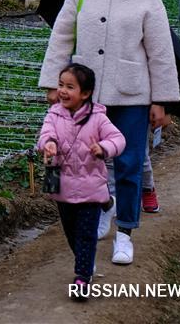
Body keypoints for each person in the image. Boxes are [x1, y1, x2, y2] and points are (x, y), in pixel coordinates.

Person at [39, 0, 180, 266]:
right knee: (88, 161)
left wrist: (161, 100)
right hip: (88, 99)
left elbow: (161, 53)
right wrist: (52, 85)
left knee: (130, 163)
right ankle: (103, 209)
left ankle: (125, 233)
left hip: (131, 96)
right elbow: (60, 38)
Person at [37, 63, 125, 297]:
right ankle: (84, 262)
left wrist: (104, 148)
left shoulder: (98, 118)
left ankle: (82, 278)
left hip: (90, 187)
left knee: (86, 233)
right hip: (62, 185)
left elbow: (118, 139)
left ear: (85, 94)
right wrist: (48, 144)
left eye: (69, 87)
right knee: (71, 232)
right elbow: (45, 134)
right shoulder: (53, 114)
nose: (62, 91)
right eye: (60, 85)